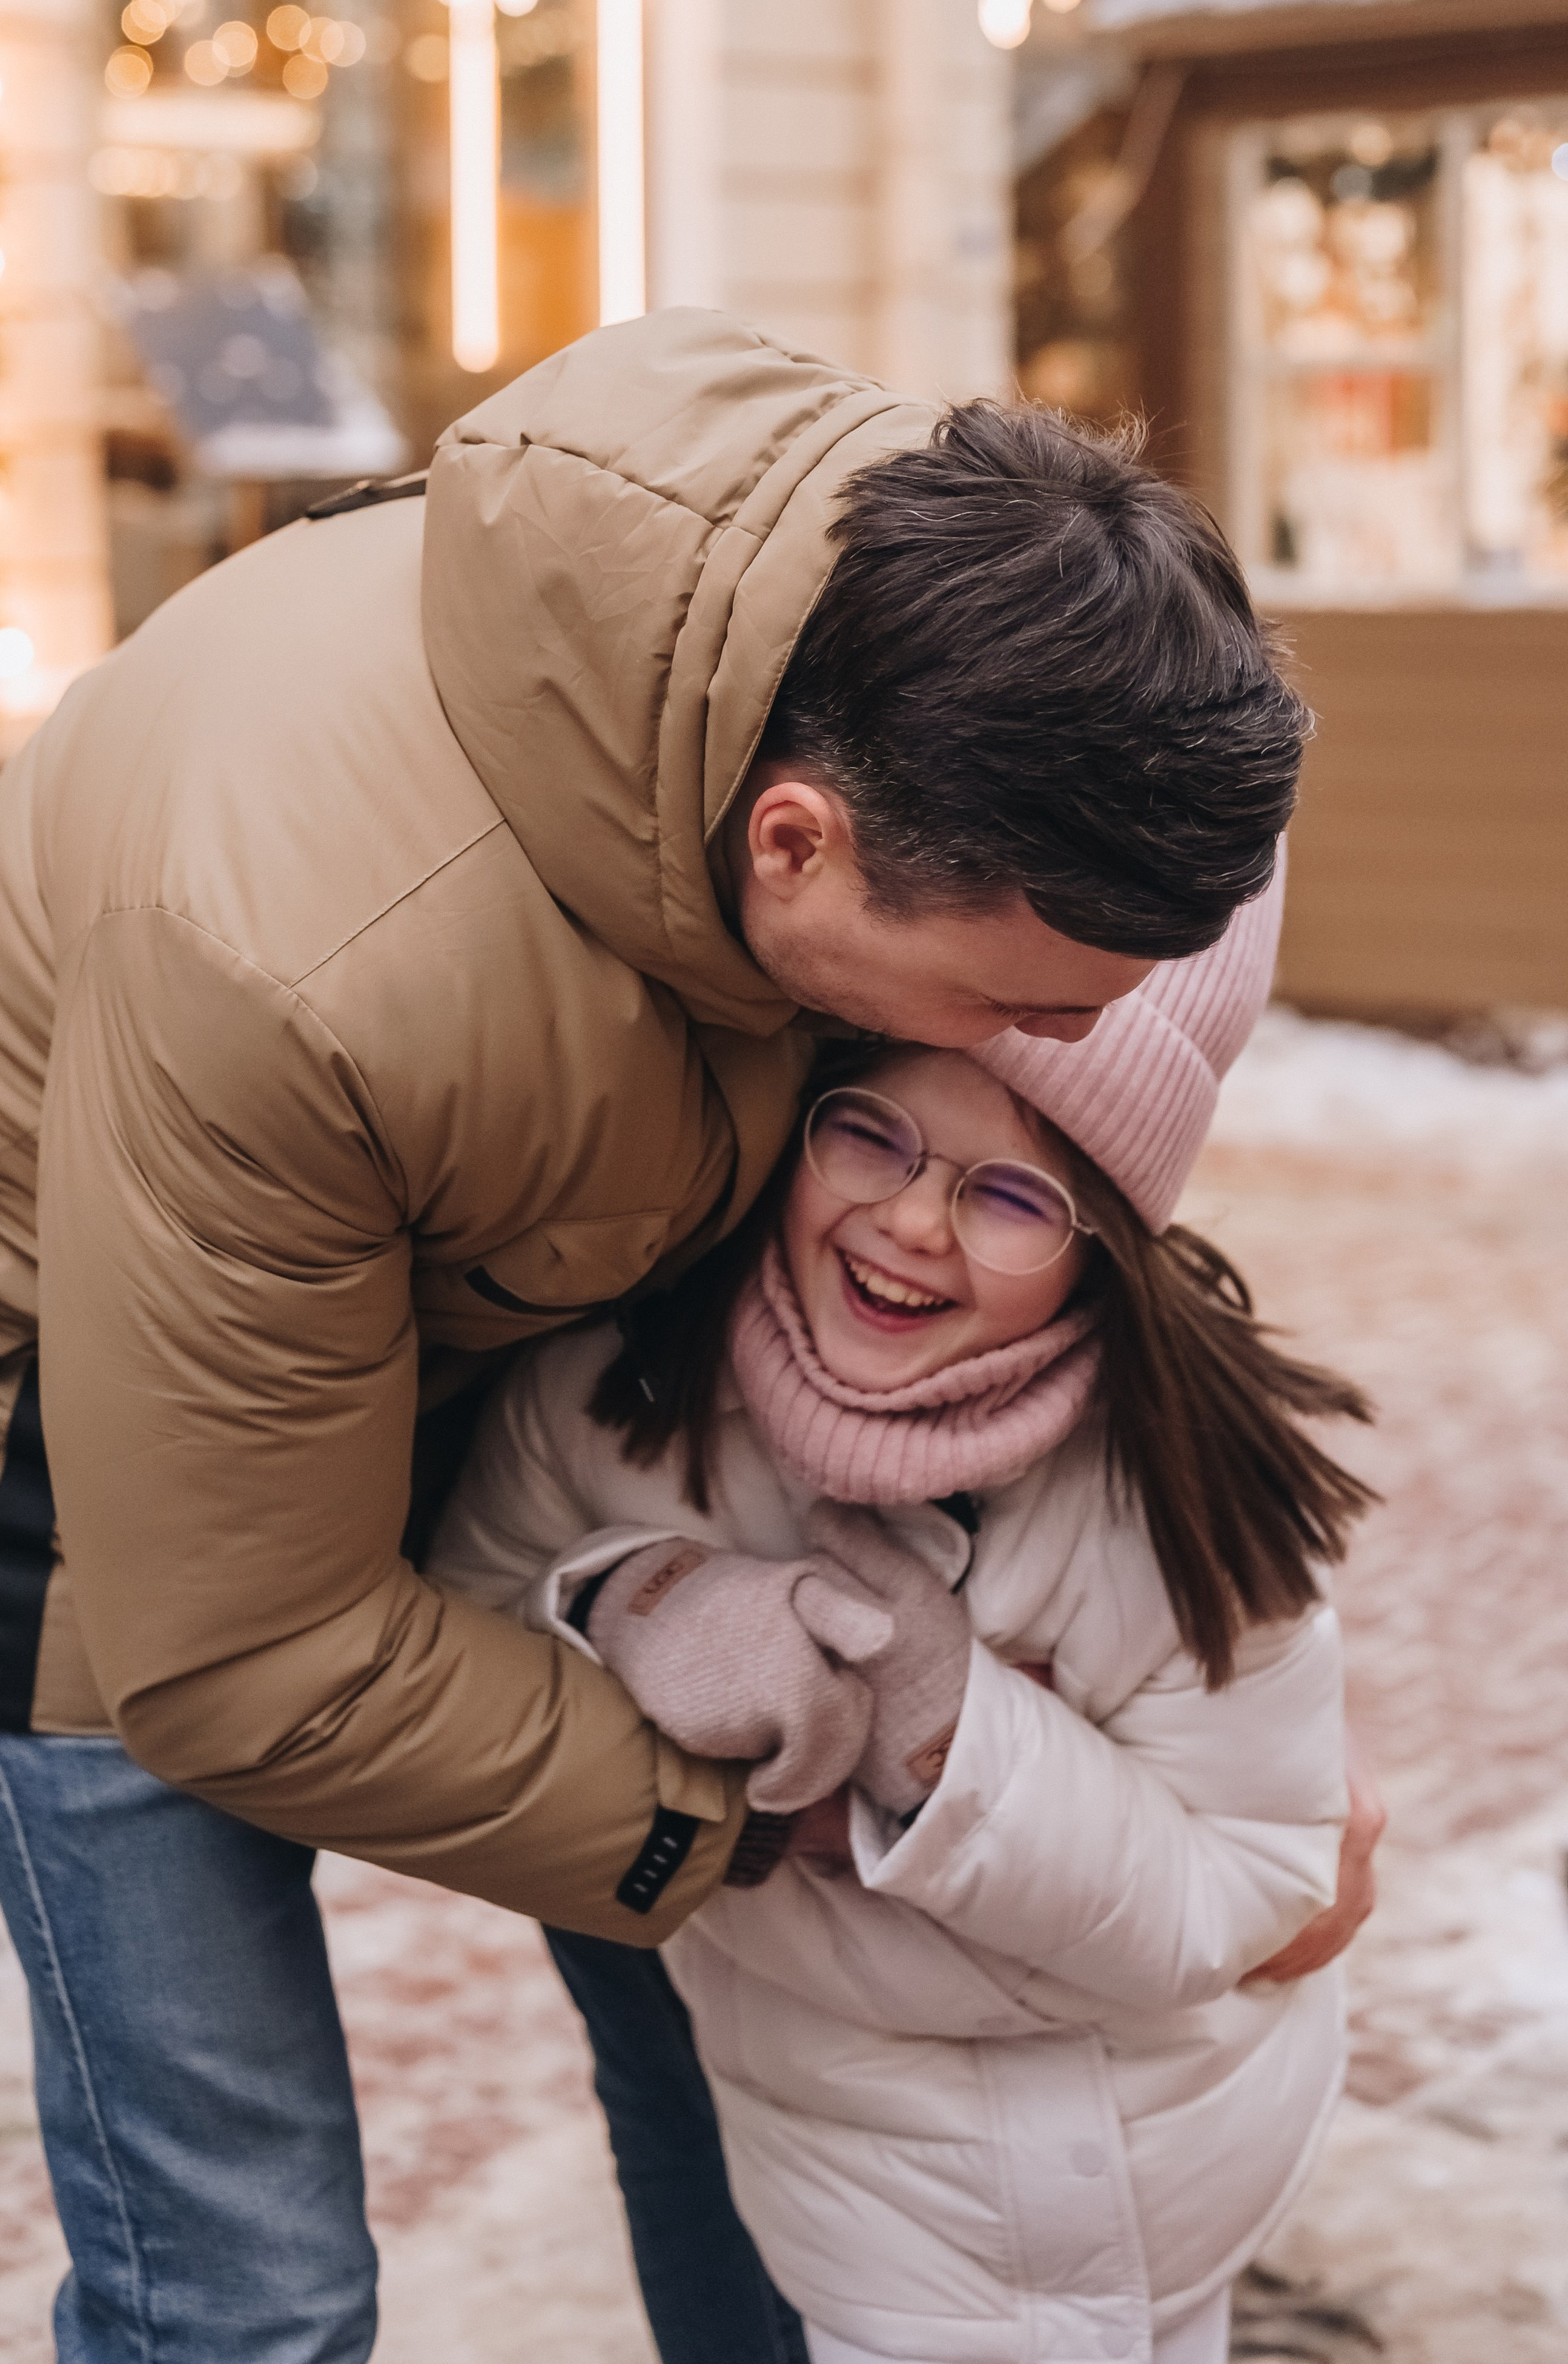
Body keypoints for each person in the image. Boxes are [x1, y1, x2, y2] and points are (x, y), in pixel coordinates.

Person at [0, 308, 1345, 2364]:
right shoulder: (299, 962)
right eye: (1012, 1010)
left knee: (706, 2039)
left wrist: (1236, 1716)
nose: (1037, 1066)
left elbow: (1024, 1119)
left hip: (493, 1265)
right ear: (794, 847)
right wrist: (755, 1817)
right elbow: (238, 1654)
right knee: (246, 2262)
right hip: (80, 1408)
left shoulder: (888, 626)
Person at [431, 875, 1375, 2364]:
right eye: (867, 1132)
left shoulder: (1167, 1472)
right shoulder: (616, 1401)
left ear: (1101, 1251)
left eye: (1012, 1197)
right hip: (868, 2202)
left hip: (1179, 2165)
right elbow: (466, 1624)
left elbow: (1254, 1882)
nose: (910, 1223)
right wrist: (638, 1599)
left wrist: (944, 1739)